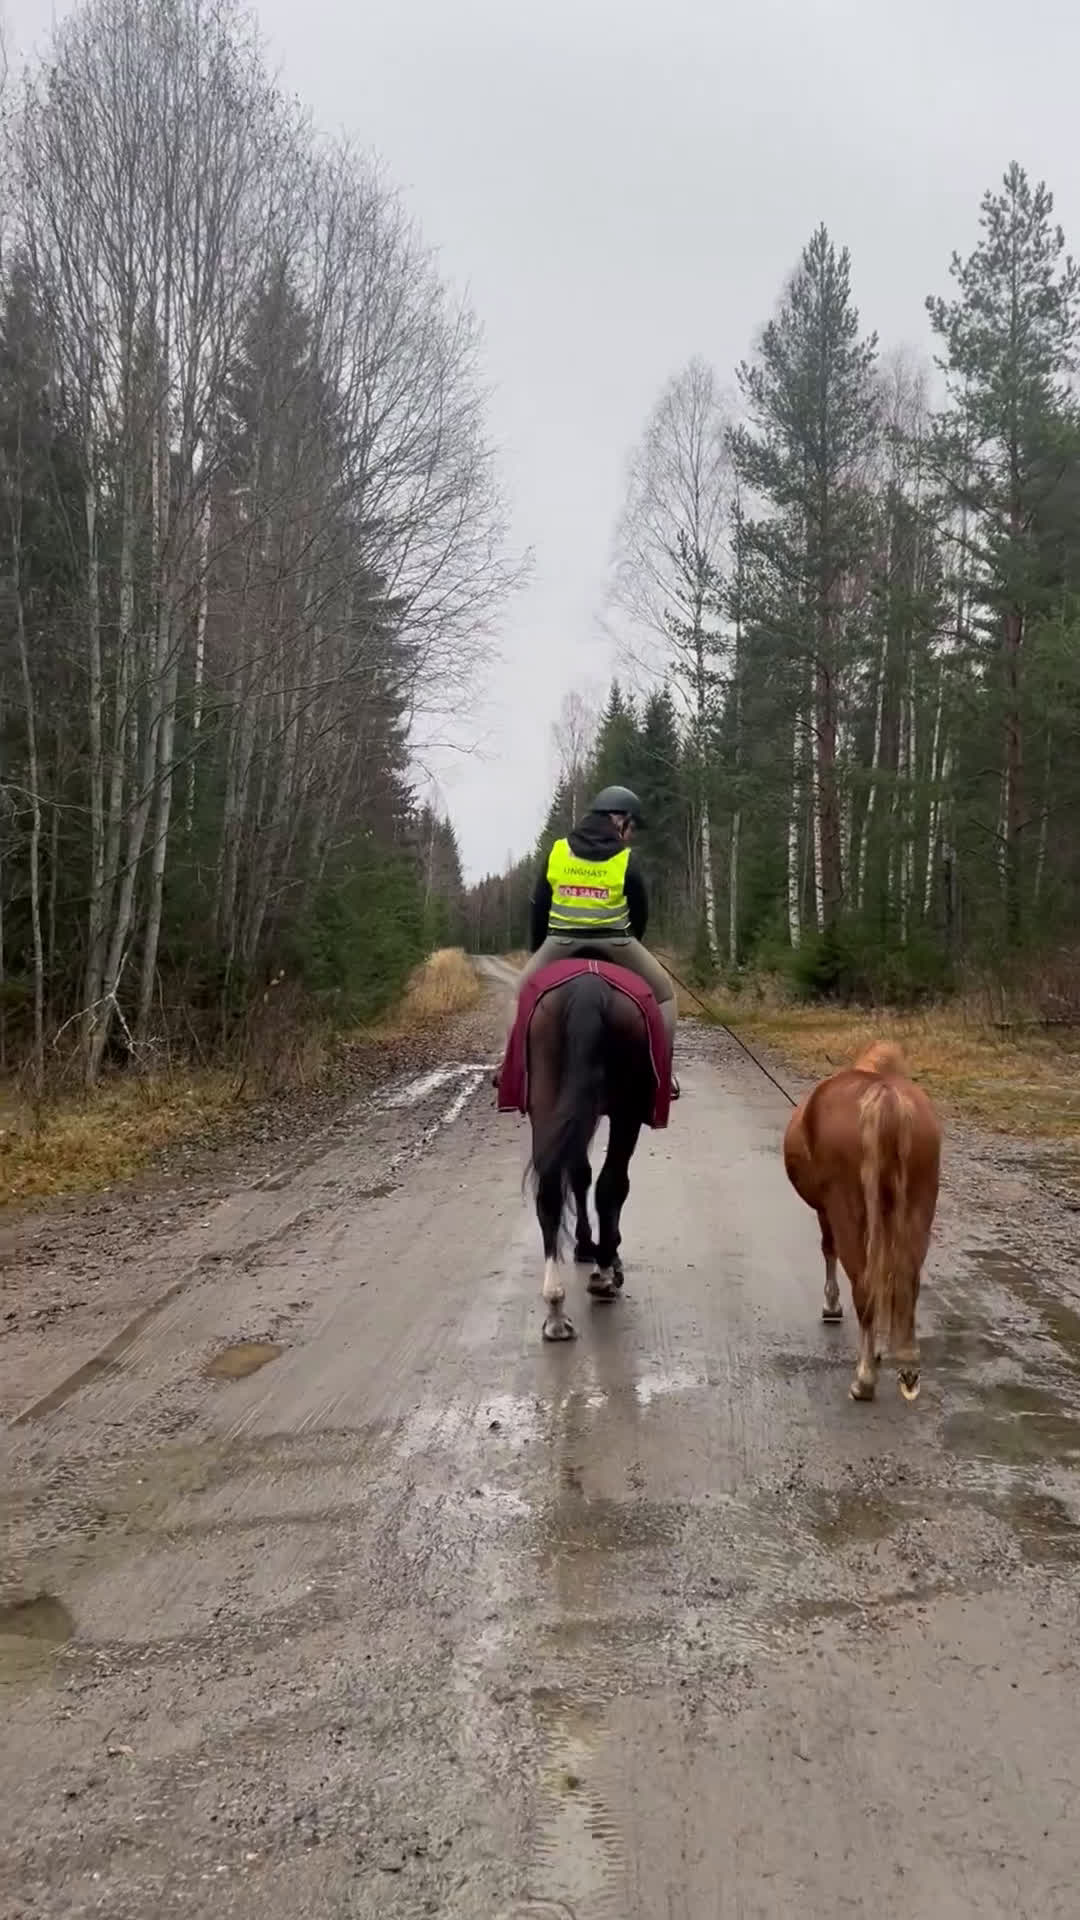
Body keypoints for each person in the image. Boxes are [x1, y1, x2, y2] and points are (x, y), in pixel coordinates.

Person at [502, 784, 679, 1096]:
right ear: (619, 819)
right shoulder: (625, 858)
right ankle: (662, 1073)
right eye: (632, 827)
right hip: (616, 942)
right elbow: (639, 910)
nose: (631, 834)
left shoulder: (558, 850)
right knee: (665, 995)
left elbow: (539, 904)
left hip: (560, 942)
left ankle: (508, 1067)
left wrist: (537, 949)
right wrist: (632, 943)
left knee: (519, 995)